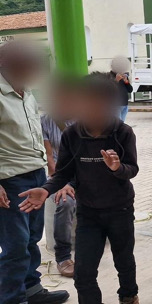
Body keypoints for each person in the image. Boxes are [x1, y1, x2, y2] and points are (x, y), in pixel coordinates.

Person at [19, 74, 140, 304]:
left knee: (124, 262)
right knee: (83, 274)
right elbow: (63, 172)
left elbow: (132, 169)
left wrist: (117, 167)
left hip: (120, 210)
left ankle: (129, 296)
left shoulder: (123, 132)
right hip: (88, 214)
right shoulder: (72, 135)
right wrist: (45, 190)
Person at [0, 41, 70, 304]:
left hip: (35, 174)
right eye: (31, 64)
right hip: (9, 180)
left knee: (31, 239)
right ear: (8, 65)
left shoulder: (27, 92)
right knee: (15, 246)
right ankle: (12, 298)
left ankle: (31, 290)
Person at [41, 80, 78, 278]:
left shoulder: (84, 121)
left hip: (83, 174)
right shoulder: (46, 121)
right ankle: (63, 256)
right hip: (59, 176)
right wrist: (63, 184)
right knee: (64, 201)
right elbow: (50, 159)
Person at [110, 56, 133, 121]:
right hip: (115, 105)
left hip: (124, 105)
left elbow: (130, 90)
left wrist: (126, 82)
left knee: (122, 124)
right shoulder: (109, 76)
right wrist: (116, 81)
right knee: (118, 124)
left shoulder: (123, 75)